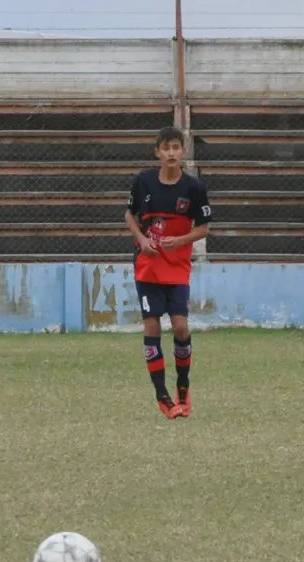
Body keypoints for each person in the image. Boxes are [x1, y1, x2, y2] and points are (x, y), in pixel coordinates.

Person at [124, 127, 212, 419]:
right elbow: (129, 215)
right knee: (151, 327)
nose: (171, 153)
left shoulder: (194, 188)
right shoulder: (143, 182)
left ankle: (182, 388)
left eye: (176, 147)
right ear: (157, 152)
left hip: (177, 268)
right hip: (147, 266)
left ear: (183, 152)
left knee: (180, 327)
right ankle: (163, 397)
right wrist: (142, 239)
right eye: (166, 148)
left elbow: (203, 227)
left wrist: (181, 241)